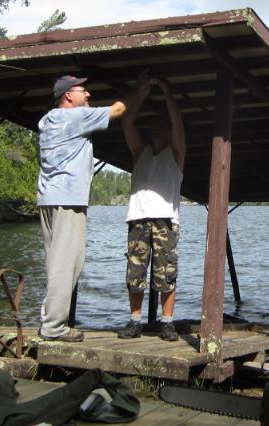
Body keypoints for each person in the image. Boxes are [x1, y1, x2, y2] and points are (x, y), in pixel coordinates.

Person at [37, 73, 149, 342]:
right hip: (69, 200)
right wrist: (139, 88)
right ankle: (54, 327)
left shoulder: (48, 120)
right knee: (68, 264)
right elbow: (119, 110)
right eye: (82, 91)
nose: (88, 95)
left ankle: (49, 320)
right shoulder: (74, 117)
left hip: (48, 199)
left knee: (55, 263)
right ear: (68, 96)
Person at [118, 78, 185, 341]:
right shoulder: (140, 151)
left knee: (166, 273)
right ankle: (135, 321)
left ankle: (167, 323)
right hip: (138, 220)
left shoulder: (177, 153)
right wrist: (140, 94)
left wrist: (167, 92)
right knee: (135, 273)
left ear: (168, 132)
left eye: (161, 128)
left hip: (166, 221)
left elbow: (178, 123)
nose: (156, 131)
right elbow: (127, 123)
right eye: (153, 128)